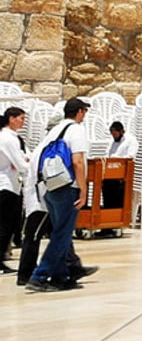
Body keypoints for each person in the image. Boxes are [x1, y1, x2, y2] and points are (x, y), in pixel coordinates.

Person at [27, 98, 89, 292]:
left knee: (60, 232)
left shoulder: (55, 130)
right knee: (61, 235)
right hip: (67, 188)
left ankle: (61, 277)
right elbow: (77, 161)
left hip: (49, 187)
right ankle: (40, 275)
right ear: (79, 112)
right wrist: (83, 189)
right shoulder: (77, 130)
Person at [0, 107, 24, 274]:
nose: (23, 121)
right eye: (21, 118)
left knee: (9, 225)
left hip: (13, 185)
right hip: (6, 185)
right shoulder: (8, 138)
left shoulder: (12, 138)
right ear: (11, 119)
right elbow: (21, 162)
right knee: (4, 226)